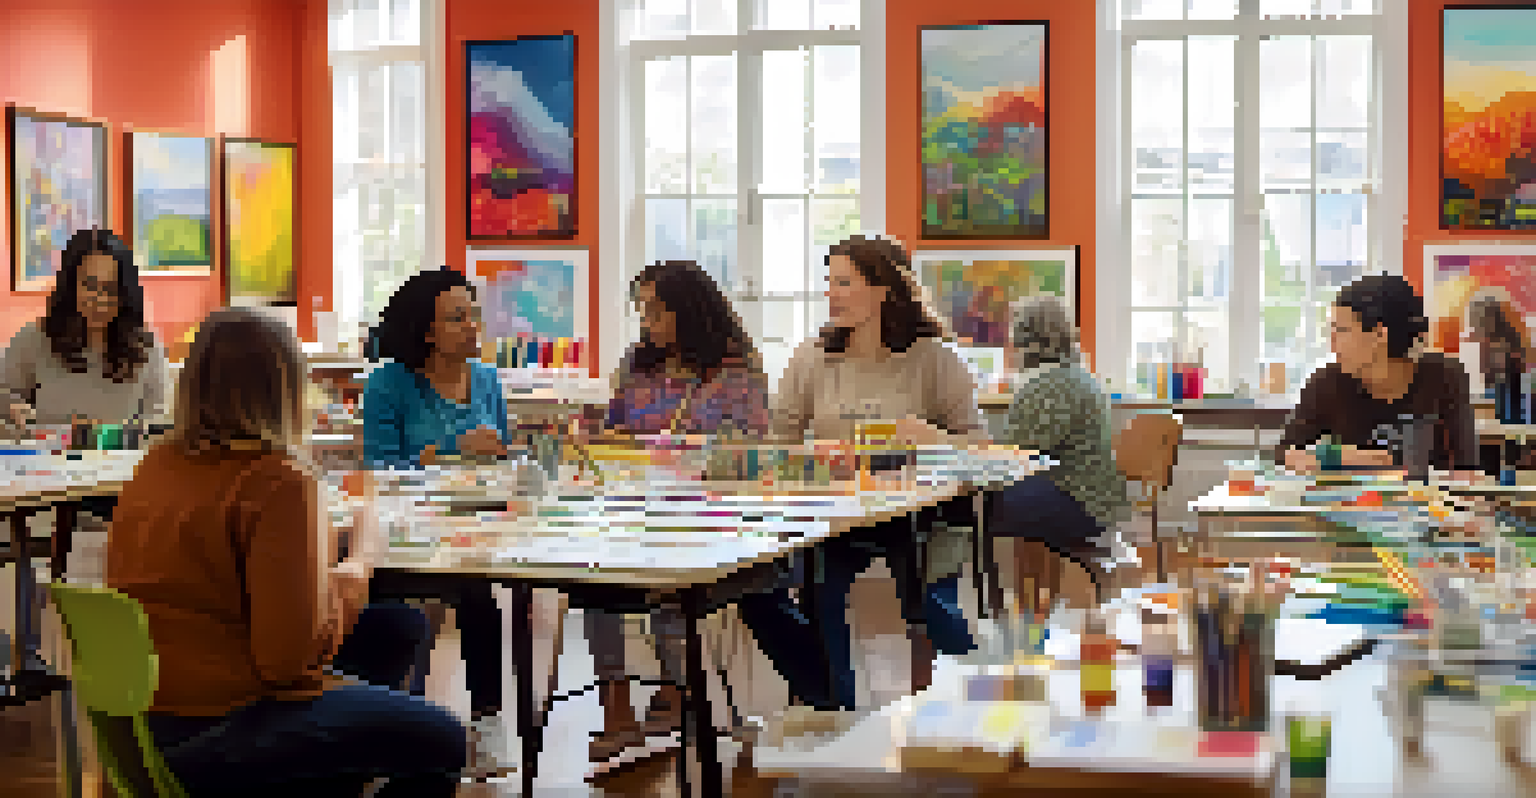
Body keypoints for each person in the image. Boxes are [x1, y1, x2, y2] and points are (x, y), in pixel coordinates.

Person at [107, 308, 466, 796]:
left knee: (398, 628)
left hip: (145, 723)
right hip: (218, 725)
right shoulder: (278, 480)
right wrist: (358, 562)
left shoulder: (158, 464)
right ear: (287, 389)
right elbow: (285, 665)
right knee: (443, 740)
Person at [748, 234, 986, 713]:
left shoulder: (935, 358)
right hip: (834, 516)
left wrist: (930, 436)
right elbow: (778, 444)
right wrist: (806, 458)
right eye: (829, 282)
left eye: (844, 282)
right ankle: (832, 706)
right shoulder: (811, 356)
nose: (831, 293)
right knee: (778, 592)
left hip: (923, 516)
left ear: (883, 290)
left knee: (933, 607)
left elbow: (980, 449)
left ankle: (980, 705)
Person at [584, 259, 780, 765]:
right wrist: (612, 441)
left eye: (656, 310)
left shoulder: (736, 370)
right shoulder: (637, 364)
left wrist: (688, 453)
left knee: (671, 585)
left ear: (689, 310)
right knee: (593, 577)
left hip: (708, 515)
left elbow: (752, 452)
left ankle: (682, 694)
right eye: (641, 310)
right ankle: (617, 710)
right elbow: (613, 429)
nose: (646, 321)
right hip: (635, 507)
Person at [361, 265, 516, 777]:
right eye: (457, 317)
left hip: (475, 522)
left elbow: (501, 458)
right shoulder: (388, 383)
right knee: (410, 608)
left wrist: (501, 461)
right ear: (427, 331)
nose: (473, 326)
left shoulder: (487, 379)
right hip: (405, 529)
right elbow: (380, 467)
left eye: (473, 315)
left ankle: (488, 722)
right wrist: (451, 448)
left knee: (477, 593)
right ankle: (393, 726)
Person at [1, 228, 172, 583]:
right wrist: (13, 408)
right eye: (89, 286)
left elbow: (161, 423)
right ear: (71, 286)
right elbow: (4, 393)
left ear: (125, 294)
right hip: (44, 481)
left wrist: (130, 437)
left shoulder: (146, 348)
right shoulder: (36, 340)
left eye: (110, 289)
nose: (99, 299)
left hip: (118, 486)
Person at [987, 295, 1129, 617]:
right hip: (1094, 500)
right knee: (998, 498)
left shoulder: (1044, 385)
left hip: (1078, 502)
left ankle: (1006, 609)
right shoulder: (1076, 375)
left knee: (979, 503)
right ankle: (1027, 604)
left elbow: (1014, 456)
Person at [1278, 273, 1478, 475]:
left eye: (1342, 330)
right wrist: (1352, 457)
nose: (1332, 342)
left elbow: (1466, 466)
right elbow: (1284, 455)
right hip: (1354, 495)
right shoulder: (1326, 383)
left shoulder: (1443, 377)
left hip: (1428, 495)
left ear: (1380, 334)